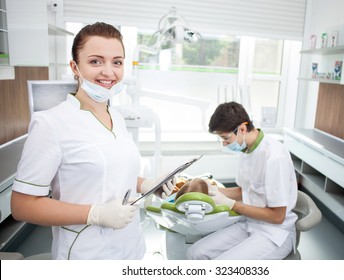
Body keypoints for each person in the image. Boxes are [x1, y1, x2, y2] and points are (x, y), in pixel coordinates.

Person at [11, 22, 174, 260]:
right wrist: (94, 214)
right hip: (86, 254)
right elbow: (22, 206)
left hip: (131, 247)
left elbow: (107, 172)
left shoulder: (116, 117)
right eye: (95, 61)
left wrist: (146, 184)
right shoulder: (51, 124)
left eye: (117, 62)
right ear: (74, 67)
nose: (109, 72)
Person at [186, 101, 298, 260]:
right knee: (195, 253)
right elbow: (244, 190)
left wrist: (232, 205)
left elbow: (277, 217)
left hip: (275, 233)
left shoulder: (274, 157)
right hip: (250, 223)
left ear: (242, 129)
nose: (224, 144)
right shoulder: (247, 149)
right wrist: (211, 190)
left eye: (225, 138)